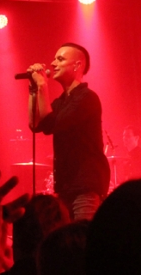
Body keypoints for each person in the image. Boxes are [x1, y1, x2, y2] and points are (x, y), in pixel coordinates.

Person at [27, 43, 111, 220]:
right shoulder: (61, 101)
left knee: (81, 233)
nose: (53, 63)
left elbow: (50, 125)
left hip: (85, 185)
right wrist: (33, 90)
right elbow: (36, 124)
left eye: (60, 59)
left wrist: (43, 86)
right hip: (65, 186)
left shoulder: (86, 97)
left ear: (77, 65)